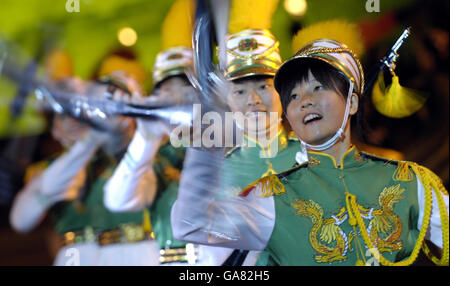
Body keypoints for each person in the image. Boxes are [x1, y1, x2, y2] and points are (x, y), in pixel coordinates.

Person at [170, 20, 449, 266]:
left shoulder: (410, 181)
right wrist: (206, 137)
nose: (304, 100)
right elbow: (190, 225)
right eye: (293, 95)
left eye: (318, 87)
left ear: (351, 101)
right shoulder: (271, 198)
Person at [9, 51, 160, 266]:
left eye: (79, 112)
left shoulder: (128, 155)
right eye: (62, 116)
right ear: (53, 129)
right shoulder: (50, 168)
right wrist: (89, 141)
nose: (73, 121)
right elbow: (21, 221)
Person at [104, 0, 205, 266]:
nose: (174, 98)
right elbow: (118, 200)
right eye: (165, 91)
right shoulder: (155, 158)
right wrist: (146, 138)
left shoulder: (232, 147)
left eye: (185, 88)